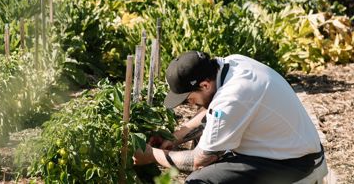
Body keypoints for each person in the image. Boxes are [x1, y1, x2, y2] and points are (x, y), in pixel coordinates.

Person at [133, 51, 327, 183]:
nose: (190, 103)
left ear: (205, 85)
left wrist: (151, 155)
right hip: (286, 151)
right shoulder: (230, 65)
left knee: (200, 180)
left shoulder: (233, 97)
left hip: (296, 164)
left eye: (189, 98)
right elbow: (212, 116)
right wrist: (174, 138)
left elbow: (197, 161)